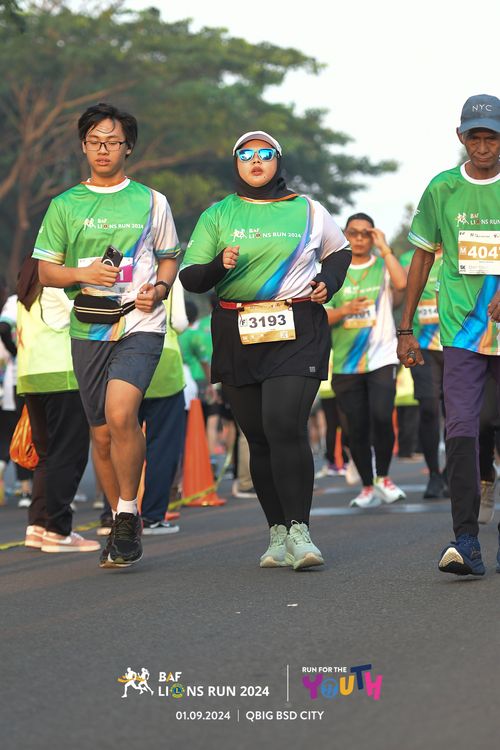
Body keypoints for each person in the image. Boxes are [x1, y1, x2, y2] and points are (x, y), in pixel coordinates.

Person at [180, 130, 351, 570]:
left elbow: (340, 252)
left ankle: (301, 532)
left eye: (264, 153)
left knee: (283, 423)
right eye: (246, 154)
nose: (255, 160)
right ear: (236, 163)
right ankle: (277, 532)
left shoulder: (308, 209)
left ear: (278, 160)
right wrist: (219, 264)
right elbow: (191, 278)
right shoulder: (218, 214)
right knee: (257, 436)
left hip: (297, 326)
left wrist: (328, 283)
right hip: (236, 329)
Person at [33, 102, 180, 568]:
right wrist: (83, 272)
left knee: (121, 414)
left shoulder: (152, 201)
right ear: (83, 145)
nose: (103, 149)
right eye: (95, 141)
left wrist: (159, 289)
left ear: (128, 147)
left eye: (112, 141)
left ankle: (128, 515)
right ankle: (118, 514)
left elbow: (170, 257)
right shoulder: (65, 205)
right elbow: (46, 271)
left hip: (140, 322)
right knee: (100, 434)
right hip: (88, 326)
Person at [397, 94, 500, 576]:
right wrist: (405, 327)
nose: (482, 146)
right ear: (460, 137)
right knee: (461, 429)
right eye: (474, 137)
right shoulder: (442, 188)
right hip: (461, 333)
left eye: (491, 137)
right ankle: (466, 541)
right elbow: (422, 257)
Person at [16, 257, 99, 552]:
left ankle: (38, 524)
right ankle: (58, 530)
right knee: (69, 455)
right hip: (62, 378)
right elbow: (86, 313)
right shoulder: (54, 288)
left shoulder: (24, 296)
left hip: (31, 378)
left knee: (47, 456)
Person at [325, 213, 407, 507]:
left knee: (383, 417)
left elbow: (402, 284)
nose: (359, 238)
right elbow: (320, 315)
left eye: (366, 233)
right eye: (353, 233)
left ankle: (383, 477)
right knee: (355, 428)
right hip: (346, 363)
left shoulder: (382, 266)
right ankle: (367, 486)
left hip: (382, 357)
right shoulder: (333, 271)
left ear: (372, 236)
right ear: (345, 235)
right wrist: (344, 310)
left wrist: (385, 248)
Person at [400, 245, 448, 497]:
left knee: (455, 412)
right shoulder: (409, 259)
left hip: (455, 343)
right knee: (429, 409)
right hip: (423, 347)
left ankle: (452, 472)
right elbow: (399, 287)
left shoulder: (457, 252)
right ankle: (434, 475)